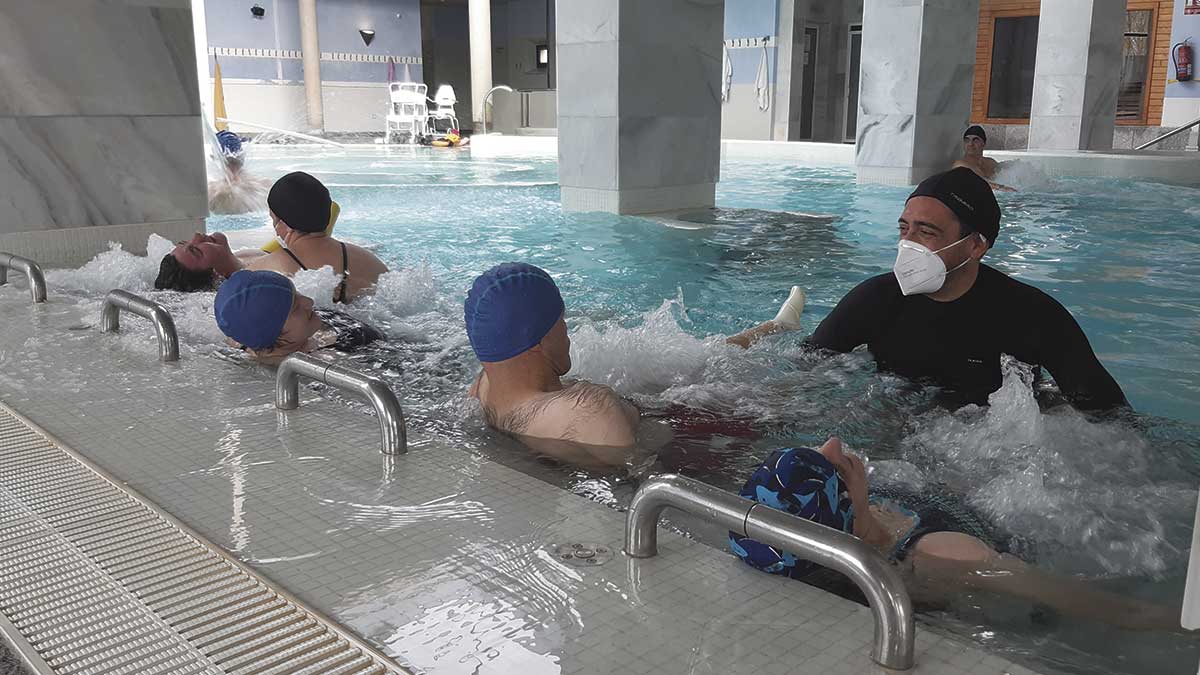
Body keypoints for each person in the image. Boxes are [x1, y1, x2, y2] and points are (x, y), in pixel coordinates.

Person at [730, 440, 1184, 632]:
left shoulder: (853, 520)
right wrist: (1178, 624)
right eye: (832, 463)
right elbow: (1107, 607)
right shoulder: (942, 553)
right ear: (846, 500)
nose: (833, 442)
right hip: (1045, 568)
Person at [807, 167, 1127, 411]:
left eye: (927, 231)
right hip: (891, 425)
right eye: (905, 229)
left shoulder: (1034, 315)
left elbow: (1110, 417)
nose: (907, 244)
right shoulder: (874, 300)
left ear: (975, 245)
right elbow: (802, 369)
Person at [464, 262, 807, 461]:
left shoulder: (485, 385)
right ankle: (790, 340)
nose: (568, 330)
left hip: (647, 412)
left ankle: (774, 326)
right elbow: (641, 477)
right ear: (537, 340)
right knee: (797, 392)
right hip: (688, 434)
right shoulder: (590, 412)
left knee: (702, 358)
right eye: (561, 321)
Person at [157, 172, 388, 302]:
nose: (197, 236)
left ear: (279, 223)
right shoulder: (369, 260)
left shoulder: (260, 275)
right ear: (215, 276)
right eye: (195, 250)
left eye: (187, 242)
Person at [214, 270, 385, 364]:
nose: (309, 301)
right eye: (295, 307)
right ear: (271, 333)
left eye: (298, 293)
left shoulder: (245, 339)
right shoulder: (329, 360)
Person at [952, 125, 1012, 192]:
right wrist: (1002, 188)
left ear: (984, 143)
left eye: (975, 140)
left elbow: (1009, 173)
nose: (970, 144)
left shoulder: (990, 162)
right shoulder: (960, 165)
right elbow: (976, 183)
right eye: (967, 140)